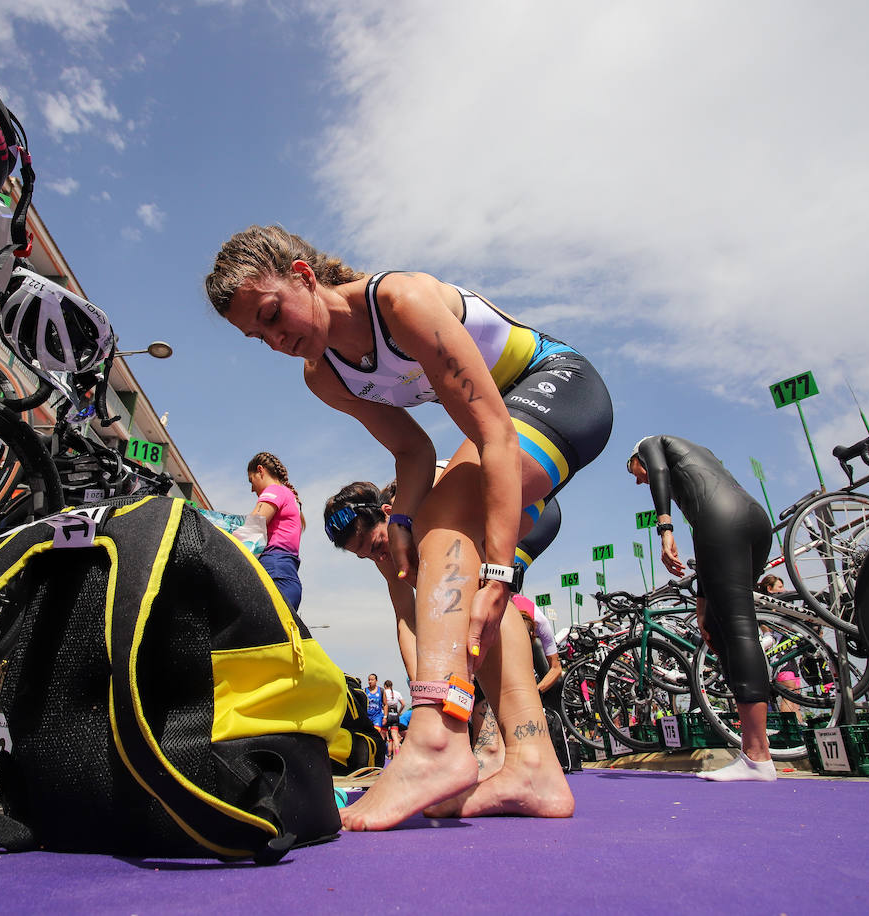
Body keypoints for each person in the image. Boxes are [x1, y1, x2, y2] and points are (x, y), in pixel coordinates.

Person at [209, 226, 613, 828]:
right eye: (256, 334)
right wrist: (398, 518)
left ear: (303, 274)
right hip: (492, 428)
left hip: (556, 387)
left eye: (272, 313)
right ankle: (532, 763)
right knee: (434, 537)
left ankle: (436, 738)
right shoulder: (325, 376)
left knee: (446, 524)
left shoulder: (400, 302)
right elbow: (413, 453)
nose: (274, 339)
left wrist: (500, 572)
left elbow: (495, 434)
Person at [324, 480, 565, 783]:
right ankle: (502, 749)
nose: (378, 559)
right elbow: (406, 621)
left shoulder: (422, 514)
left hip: (530, 511)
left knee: (481, 607)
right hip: (484, 521)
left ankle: (498, 748)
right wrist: (423, 693)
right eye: (365, 557)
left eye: (376, 546)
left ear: (389, 513)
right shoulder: (385, 553)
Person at [628, 435, 776, 782]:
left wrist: (664, 529)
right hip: (752, 518)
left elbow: (658, 470)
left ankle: (757, 756)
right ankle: (753, 750)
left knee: (739, 628)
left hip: (721, 521)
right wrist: (702, 607)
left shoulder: (651, 443)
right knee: (717, 628)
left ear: (637, 457)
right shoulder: (702, 454)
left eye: (633, 471)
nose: (637, 478)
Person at [246, 451, 304, 610]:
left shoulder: (274, 490)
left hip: (274, 570)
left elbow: (252, 527)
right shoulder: (289, 495)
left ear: (260, 470)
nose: (252, 489)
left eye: (251, 481)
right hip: (286, 574)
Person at [382, 679, 405, 758]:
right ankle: (397, 753)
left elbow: (383, 704)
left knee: (383, 734)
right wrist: (398, 713)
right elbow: (403, 704)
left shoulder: (384, 692)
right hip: (395, 715)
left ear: (385, 686)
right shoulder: (397, 693)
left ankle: (381, 753)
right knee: (395, 736)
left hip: (387, 715)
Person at [364, 673, 386, 744]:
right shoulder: (364, 690)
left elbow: (385, 704)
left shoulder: (381, 691)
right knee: (367, 735)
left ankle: (379, 748)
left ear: (376, 681)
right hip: (367, 717)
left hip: (377, 716)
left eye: (372, 680)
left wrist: (385, 717)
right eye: (369, 680)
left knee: (376, 732)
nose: (370, 681)